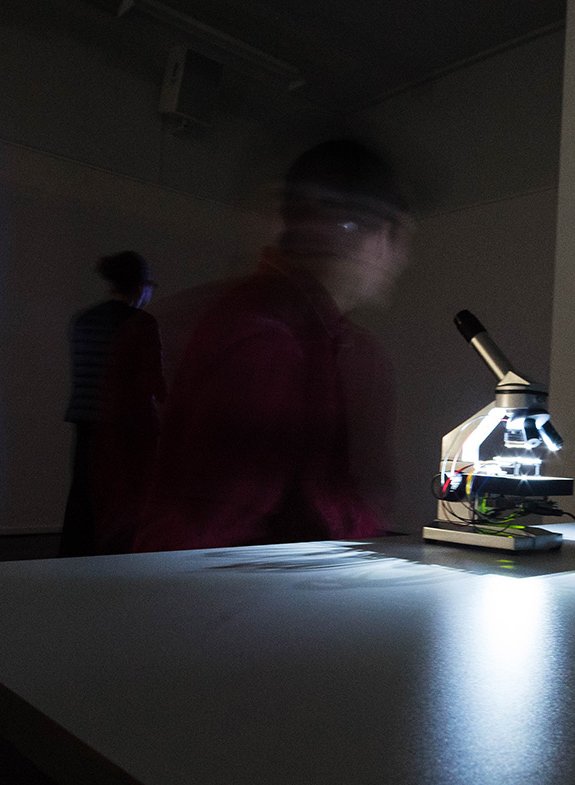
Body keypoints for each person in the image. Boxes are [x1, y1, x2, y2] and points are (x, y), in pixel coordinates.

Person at [135, 139, 410, 552]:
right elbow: (215, 535)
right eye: (401, 238)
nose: (401, 260)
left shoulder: (328, 341)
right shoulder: (268, 340)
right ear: (376, 236)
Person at [60, 251, 165, 555]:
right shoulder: (143, 323)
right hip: (126, 426)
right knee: (124, 502)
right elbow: (153, 384)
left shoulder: (83, 320)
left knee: (83, 497)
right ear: (141, 286)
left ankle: (73, 565)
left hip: (85, 418)